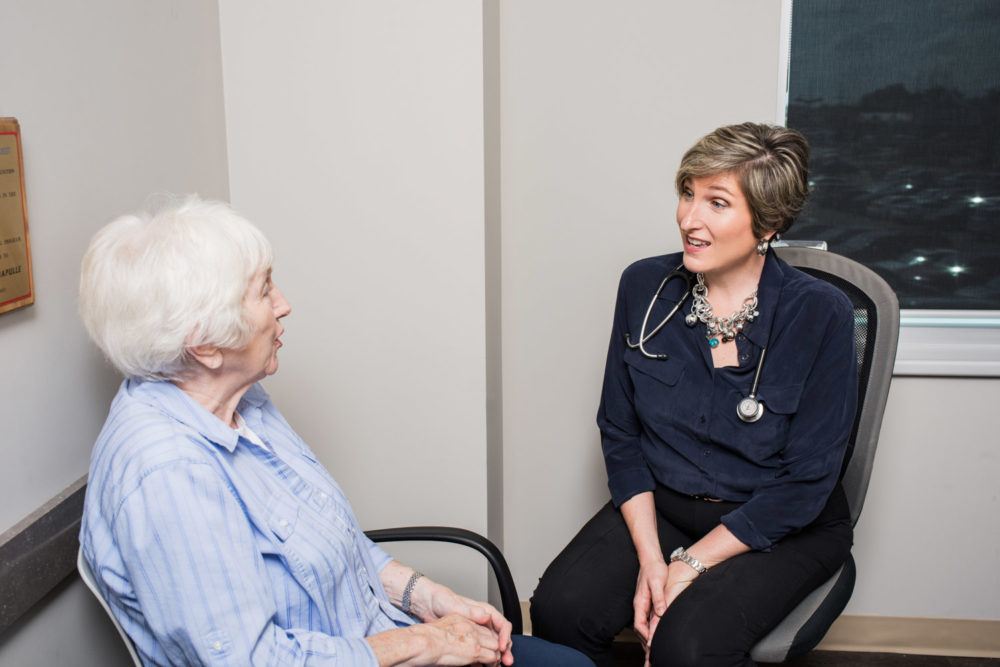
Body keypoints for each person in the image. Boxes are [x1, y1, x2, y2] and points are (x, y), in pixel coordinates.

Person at [78, 196, 594, 667]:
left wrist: (429, 597)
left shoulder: (241, 400)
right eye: (262, 291)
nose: (283, 304)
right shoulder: (168, 475)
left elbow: (334, 545)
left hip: (383, 633)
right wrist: (430, 643)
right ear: (205, 346)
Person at [529, 123, 858, 667]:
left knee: (689, 646)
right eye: (688, 193)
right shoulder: (643, 287)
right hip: (668, 505)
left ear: (768, 223)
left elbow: (807, 482)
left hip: (780, 519)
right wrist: (653, 558)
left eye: (717, 202)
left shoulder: (819, 313)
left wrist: (688, 566)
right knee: (561, 610)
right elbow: (620, 430)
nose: (689, 218)